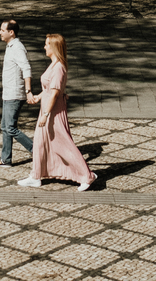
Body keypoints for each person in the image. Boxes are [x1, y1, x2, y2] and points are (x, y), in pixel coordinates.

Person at [18, 33, 97, 191]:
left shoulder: (59, 67)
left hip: (53, 113)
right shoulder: (54, 65)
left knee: (64, 145)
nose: (44, 47)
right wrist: (38, 97)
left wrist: (46, 115)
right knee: (40, 143)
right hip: (47, 110)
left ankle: (87, 176)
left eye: (47, 44)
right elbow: (49, 90)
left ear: (54, 47)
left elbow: (55, 94)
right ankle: (36, 176)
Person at [0, 19, 33, 167]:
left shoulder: (17, 48)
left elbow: (26, 68)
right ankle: (6, 159)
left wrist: (28, 91)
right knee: (5, 126)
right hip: (8, 93)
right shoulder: (10, 46)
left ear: (11, 32)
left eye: (2, 30)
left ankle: (37, 151)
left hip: (14, 94)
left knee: (10, 127)